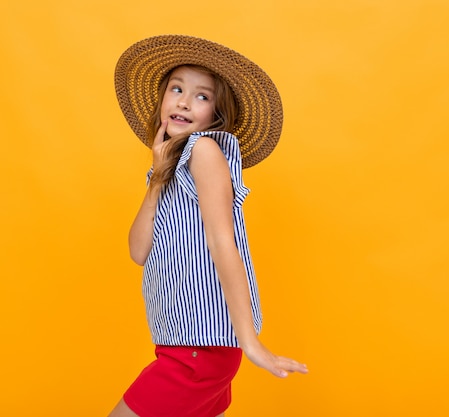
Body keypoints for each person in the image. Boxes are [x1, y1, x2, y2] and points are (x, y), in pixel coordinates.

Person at [109, 35, 308, 417]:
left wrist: (251, 343)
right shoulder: (170, 167)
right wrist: (156, 177)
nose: (184, 101)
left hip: (198, 350)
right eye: (177, 89)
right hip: (183, 344)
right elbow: (138, 252)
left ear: (217, 113)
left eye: (201, 96)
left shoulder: (204, 150)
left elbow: (223, 244)